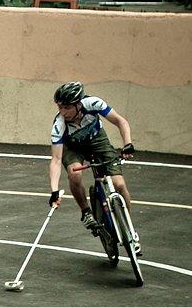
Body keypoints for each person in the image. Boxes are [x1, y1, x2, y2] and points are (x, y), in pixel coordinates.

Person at [47, 82, 140, 252]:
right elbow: (56, 159)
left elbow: (120, 121)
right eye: (60, 107)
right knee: (75, 174)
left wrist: (128, 144)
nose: (63, 112)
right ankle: (86, 212)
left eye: (67, 107)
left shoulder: (94, 103)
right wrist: (54, 190)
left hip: (97, 140)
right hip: (73, 147)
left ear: (78, 104)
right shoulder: (59, 125)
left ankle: (129, 227)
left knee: (119, 184)